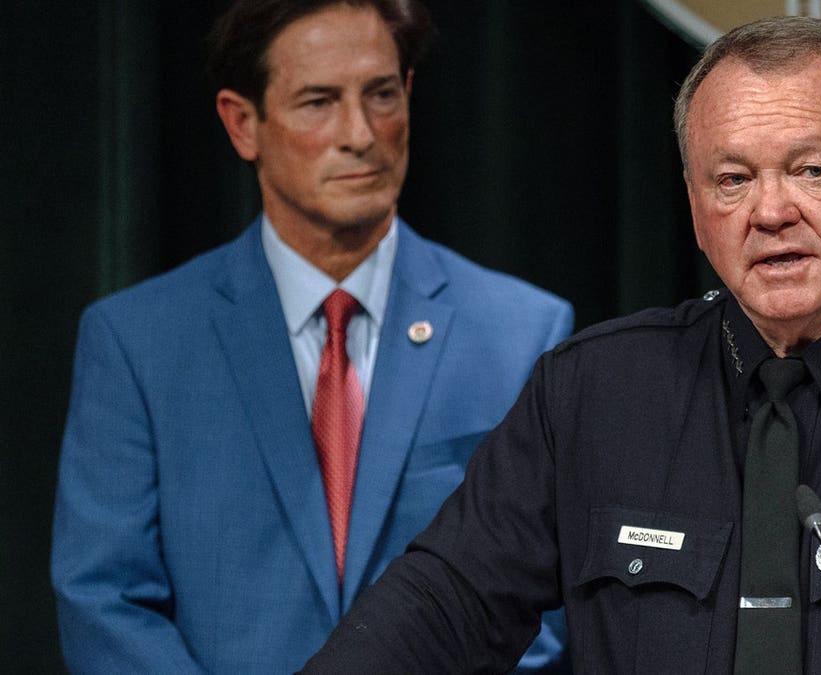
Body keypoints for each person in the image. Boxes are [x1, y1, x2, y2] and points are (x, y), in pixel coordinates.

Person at [302, 15, 821, 673]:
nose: (771, 211)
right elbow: (441, 606)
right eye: (732, 179)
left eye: (811, 170)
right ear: (694, 207)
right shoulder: (593, 390)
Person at [50, 0, 573, 672]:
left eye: (381, 95)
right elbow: (105, 601)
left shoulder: (521, 333)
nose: (360, 133)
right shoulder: (137, 343)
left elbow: (541, 611)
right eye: (319, 102)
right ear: (243, 124)